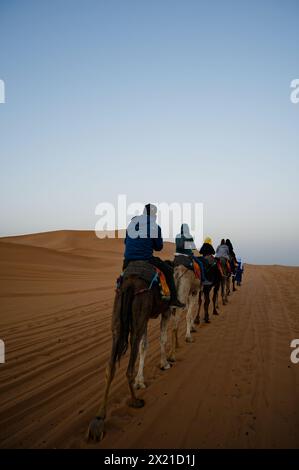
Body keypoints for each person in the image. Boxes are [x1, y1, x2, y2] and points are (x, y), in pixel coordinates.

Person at [123, 203, 185, 308]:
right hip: (146, 259)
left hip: (128, 260)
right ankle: (173, 300)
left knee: (123, 278)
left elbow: (126, 242)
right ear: (154, 214)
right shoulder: (155, 227)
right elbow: (159, 247)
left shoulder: (131, 224)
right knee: (169, 271)